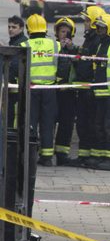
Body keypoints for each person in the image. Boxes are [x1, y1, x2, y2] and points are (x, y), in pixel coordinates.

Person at [20, 14, 59, 166]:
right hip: (50, 89)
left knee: (31, 122)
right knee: (48, 123)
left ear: (28, 29)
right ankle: (47, 157)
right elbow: (63, 66)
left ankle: (30, 155)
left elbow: (19, 68)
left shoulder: (24, 45)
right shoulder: (55, 44)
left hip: (31, 90)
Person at [73, 5, 107, 167]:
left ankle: (94, 155)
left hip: (91, 89)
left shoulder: (97, 40)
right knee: (83, 124)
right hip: (85, 89)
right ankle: (84, 155)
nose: (85, 23)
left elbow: (91, 62)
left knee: (93, 124)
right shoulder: (90, 38)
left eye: (87, 20)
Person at [86, 14, 110, 171]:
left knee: (108, 126)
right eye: (98, 27)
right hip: (100, 92)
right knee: (98, 125)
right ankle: (99, 155)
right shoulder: (101, 44)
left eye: (102, 27)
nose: (99, 30)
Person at [52, 17, 80, 166]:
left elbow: (80, 64)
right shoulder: (52, 47)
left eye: (67, 32)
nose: (64, 35)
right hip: (53, 91)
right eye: (62, 31)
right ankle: (46, 152)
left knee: (66, 124)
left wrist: (71, 49)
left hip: (68, 93)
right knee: (49, 123)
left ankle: (62, 154)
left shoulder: (75, 50)